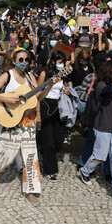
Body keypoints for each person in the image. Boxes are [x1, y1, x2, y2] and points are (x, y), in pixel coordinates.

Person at [0, 48, 56, 206]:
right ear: (14, 61)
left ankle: (29, 191)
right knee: (6, 154)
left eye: (26, 60)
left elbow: (38, 97)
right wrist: (9, 99)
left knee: (30, 157)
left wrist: (50, 86)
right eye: (21, 60)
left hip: (28, 122)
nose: (24, 62)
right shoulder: (7, 76)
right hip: (11, 121)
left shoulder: (31, 77)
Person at [78, 59, 112, 195]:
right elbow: (109, 90)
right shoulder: (101, 85)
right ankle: (85, 171)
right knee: (100, 155)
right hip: (102, 126)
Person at [37, 51, 72, 180]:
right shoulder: (44, 73)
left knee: (59, 138)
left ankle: (45, 153)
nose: (61, 65)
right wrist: (38, 114)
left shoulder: (63, 75)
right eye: (59, 62)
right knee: (48, 141)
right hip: (45, 105)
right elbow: (38, 95)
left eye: (63, 62)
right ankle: (50, 170)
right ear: (53, 62)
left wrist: (67, 91)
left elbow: (63, 88)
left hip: (58, 107)